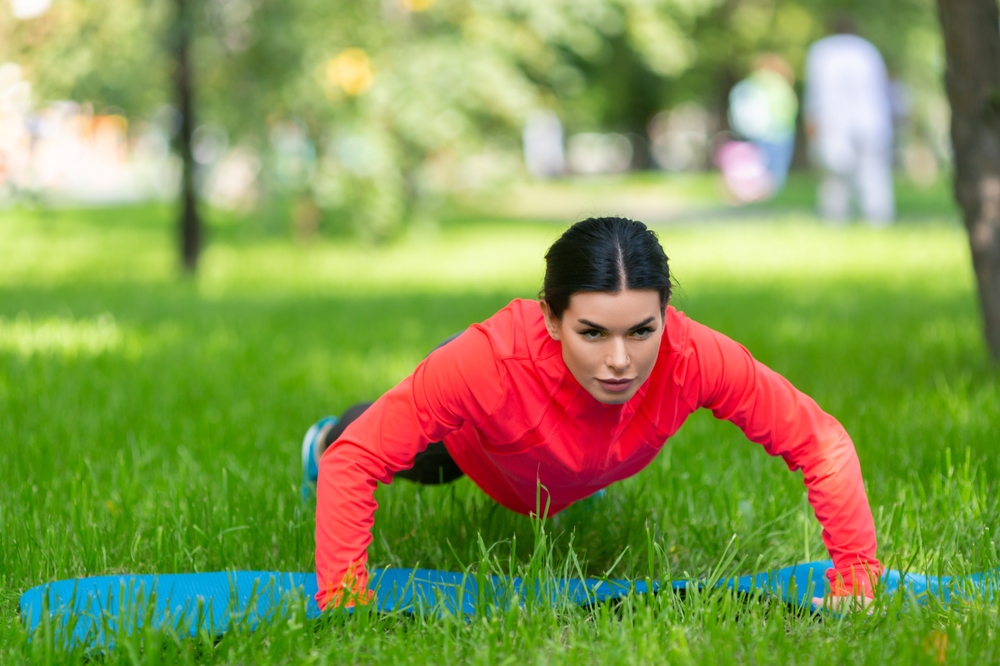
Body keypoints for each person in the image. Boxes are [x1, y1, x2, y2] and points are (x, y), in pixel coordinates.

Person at [303, 216, 882, 611]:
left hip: (578, 463)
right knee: (413, 456)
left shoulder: (695, 355)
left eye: (641, 330)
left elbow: (819, 441)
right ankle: (324, 431)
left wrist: (857, 577)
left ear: (665, 315)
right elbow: (356, 463)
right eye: (592, 332)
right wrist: (346, 603)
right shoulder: (487, 363)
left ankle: (579, 481)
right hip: (481, 447)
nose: (620, 361)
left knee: (576, 471)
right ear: (552, 319)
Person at [804, 17, 895, 225]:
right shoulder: (868, 51)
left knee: (833, 174)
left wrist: (812, 123)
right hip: (871, 120)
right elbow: (882, 90)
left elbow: (816, 93)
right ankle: (878, 217)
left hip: (832, 121)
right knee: (873, 172)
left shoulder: (821, 52)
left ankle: (835, 218)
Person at [726, 53, 799, 198]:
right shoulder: (779, 83)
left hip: (757, 132)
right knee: (773, 170)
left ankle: (752, 194)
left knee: (758, 167)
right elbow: (789, 107)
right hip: (779, 131)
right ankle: (761, 196)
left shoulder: (752, 82)